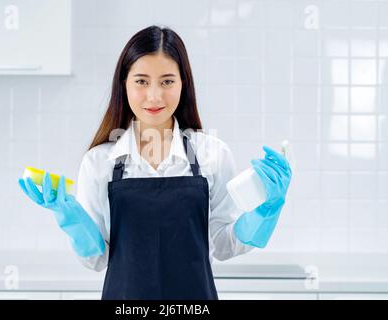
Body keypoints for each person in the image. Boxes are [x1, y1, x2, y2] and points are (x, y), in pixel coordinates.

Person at [18, 25, 292, 300]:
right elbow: (97, 259)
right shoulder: (99, 162)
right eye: (141, 81)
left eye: (167, 81)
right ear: (123, 84)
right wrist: (70, 217)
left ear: (183, 84)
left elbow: (223, 244)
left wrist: (266, 209)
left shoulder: (213, 155)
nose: (154, 96)